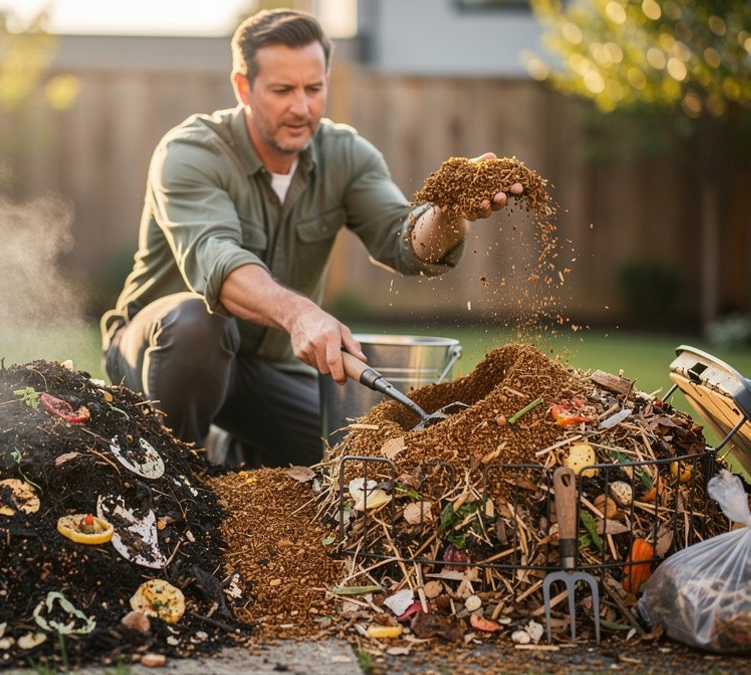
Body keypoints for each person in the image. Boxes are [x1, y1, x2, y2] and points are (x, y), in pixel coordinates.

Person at [101, 9, 521, 467]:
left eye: (314, 89)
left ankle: (236, 449)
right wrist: (300, 314)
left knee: (358, 453)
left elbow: (403, 239)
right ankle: (172, 480)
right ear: (243, 86)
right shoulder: (190, 152)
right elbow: (215, 260)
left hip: (269, 372)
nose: (302, 108)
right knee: (197, 323)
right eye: (283, 90)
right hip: (159, 357)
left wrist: (447, 212)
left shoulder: (345, 154)